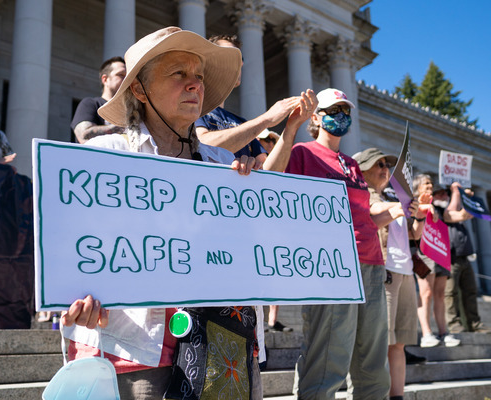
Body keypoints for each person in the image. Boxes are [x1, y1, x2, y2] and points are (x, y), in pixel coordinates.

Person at [60, 26, 312, 400]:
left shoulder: (224, 164)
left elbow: (257, 242)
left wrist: (248, 198)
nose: (195, 84)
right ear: (139, 90)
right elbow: (77, 249)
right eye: (179, 74)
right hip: (141, 350)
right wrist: (75, 296)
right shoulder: (105, 156)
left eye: (198, 76)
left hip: (228, 348)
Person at [289, 88, 390, 400]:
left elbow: (364, 215)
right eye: (333, 111)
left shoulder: (353, 164)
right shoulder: (303, 153)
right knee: (328, 358)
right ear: (317, 117)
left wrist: (397, 211)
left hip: (371, 261)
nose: (341, 117)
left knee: (373, 360)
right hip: (332, 264)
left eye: (345, 111)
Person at [353, 147, 426, 400]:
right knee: (381, 340)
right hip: (384, 272)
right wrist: (401, 206)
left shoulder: (392, 197)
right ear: (361, 169)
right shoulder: (364, 193)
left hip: (405, 273)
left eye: (387, 165)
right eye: (379, 165)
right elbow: (372, 213)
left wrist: (421, 216)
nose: (385, 170)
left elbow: (413, 235)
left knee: (399, 343)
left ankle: (397, 396)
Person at [195, 34, 302, 172]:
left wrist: (291, 127)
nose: (240, 63)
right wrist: (267, 119)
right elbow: (203, 146)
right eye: (231, 55)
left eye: (240, 58)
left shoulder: (241, 122)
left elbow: (270, 171)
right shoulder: (194, 108)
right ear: (209, 61)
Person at [435, 182, 491, 334]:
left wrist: (467, 199)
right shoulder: (439, 211)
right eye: (441, 193)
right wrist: (456, 191)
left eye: (446, 193)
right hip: (450, 258)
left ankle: (474, 324)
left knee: (470, 291)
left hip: (464, 256)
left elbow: (465, 213)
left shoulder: (452, 211)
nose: (444, 196)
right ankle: (454, 324)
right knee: (450, 293)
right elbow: (453, 214)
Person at [412, 174, 461, 348]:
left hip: (440, 252)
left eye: (431, 184)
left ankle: (443, 332)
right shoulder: (413, 205)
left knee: (440, 294)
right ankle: (426, 333)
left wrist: (457, 192)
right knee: (426, 293)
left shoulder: (438, 208)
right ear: (417, 187)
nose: (430, 186)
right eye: (426, 184)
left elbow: (453, 214)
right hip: (423, 254)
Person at [70, 56, 127, 143]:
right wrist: (125, 127)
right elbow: (84, 136)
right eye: (121, 75)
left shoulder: (130, 110)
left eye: (127, 76)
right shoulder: (90, 104)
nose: (126, 80)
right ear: (105, 79)